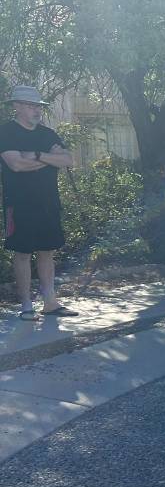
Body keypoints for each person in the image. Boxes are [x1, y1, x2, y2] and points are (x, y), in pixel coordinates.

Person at [0, 85, 79, 320]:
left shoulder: (47, 134)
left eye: (38, 106)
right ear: (17, 107)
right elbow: (16, 164)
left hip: (48, 202)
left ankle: (50, 303)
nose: (37, 110)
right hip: (20, 203)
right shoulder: (6, 133)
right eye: (31, 106)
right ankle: (26, 305)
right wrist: (50, 159)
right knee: (22, 253)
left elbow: (68, 159)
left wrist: (35, 155)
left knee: (47, 251)